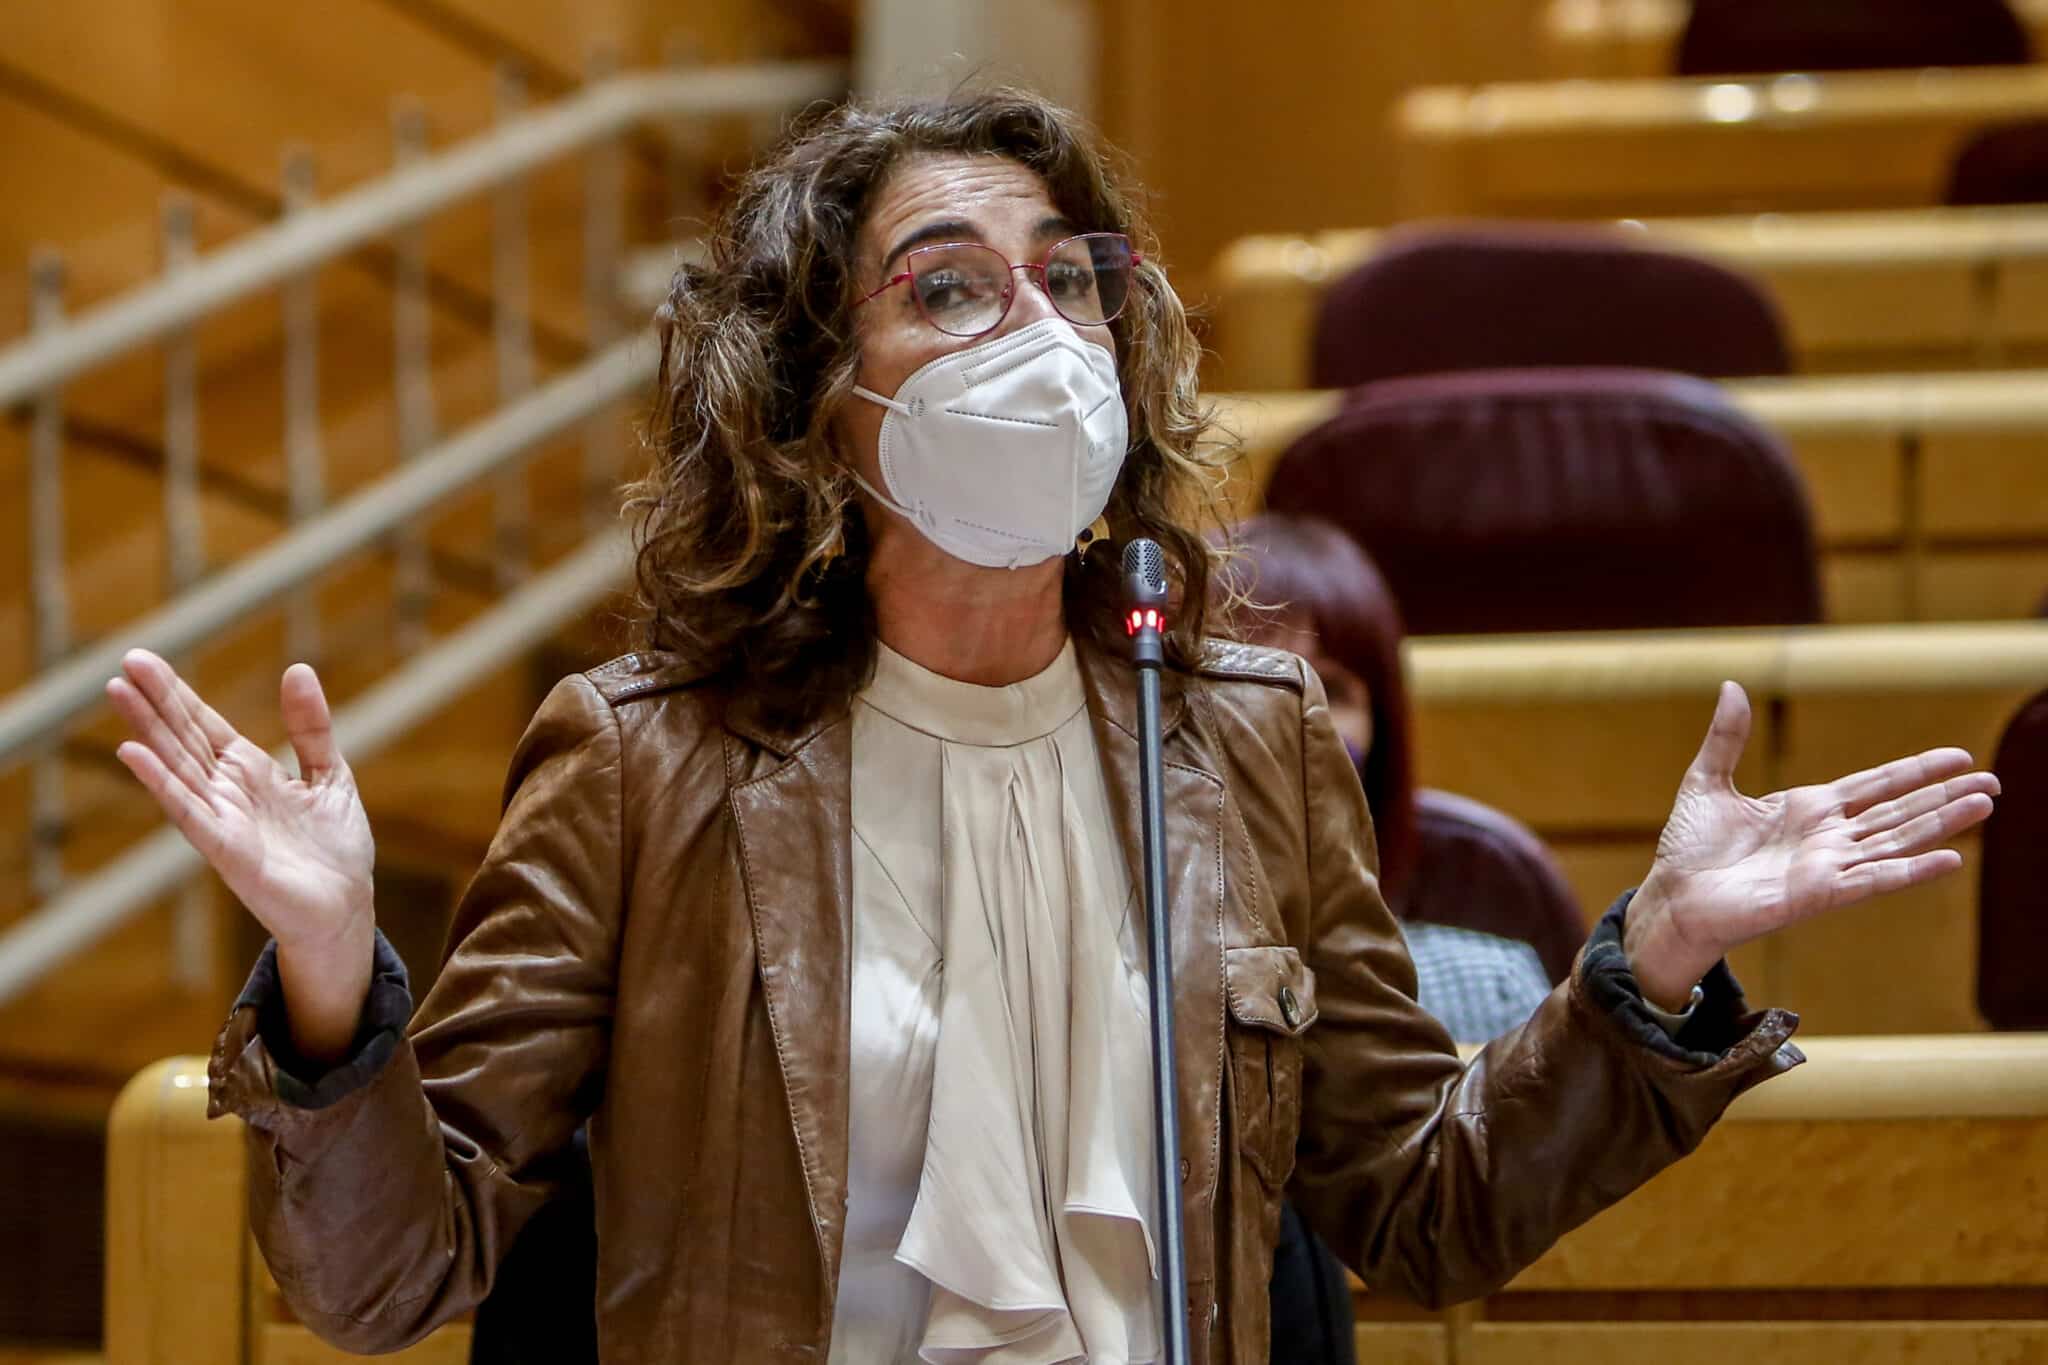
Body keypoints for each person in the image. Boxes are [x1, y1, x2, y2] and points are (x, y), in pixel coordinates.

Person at [108, 90, 1999, 1365]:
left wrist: (1653, 960)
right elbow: (381, 1283)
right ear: (814, 398)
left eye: (1069, 279)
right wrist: (336, 971)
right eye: (948, 286)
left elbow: (1418, 1209)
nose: (1038, 325)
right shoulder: (643, 763)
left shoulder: (1246, 736)